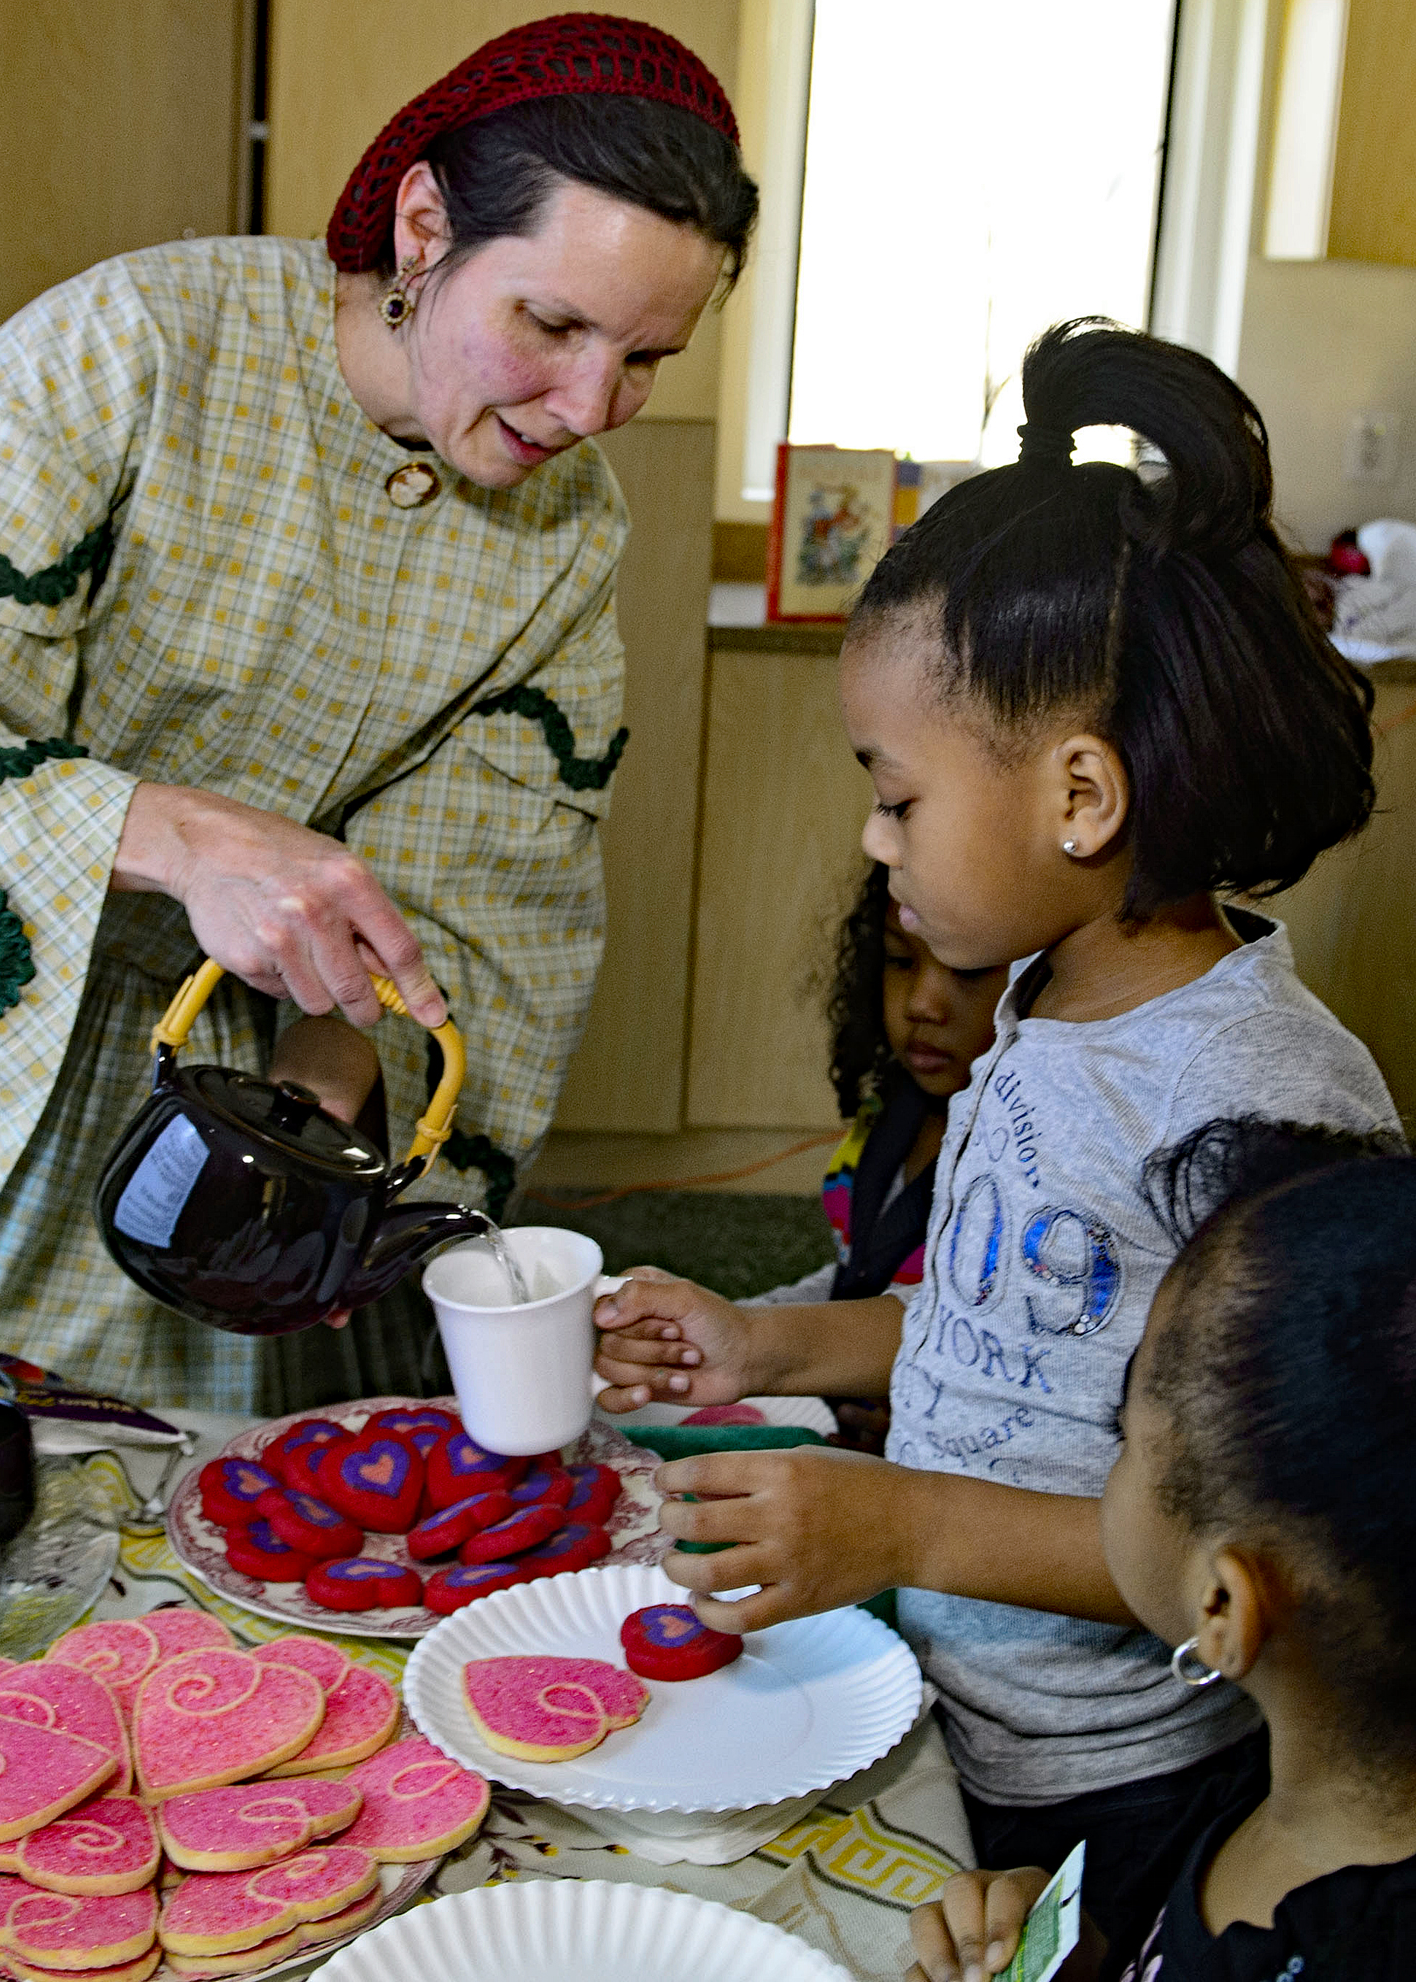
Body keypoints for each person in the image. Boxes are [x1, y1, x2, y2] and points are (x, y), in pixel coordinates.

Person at [0, 16, 756, 1411]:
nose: (587, 406)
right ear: (427, 221)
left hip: (214, 1092)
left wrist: (333, 1080)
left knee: (153, 1557)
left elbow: (475, 876)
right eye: (552, 324)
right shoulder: (143, 344)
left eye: (647, 361)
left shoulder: (570, 532)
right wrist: (175, 836)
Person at [594, 318, 1403, 1947]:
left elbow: (1265, 1559)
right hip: (958, 1688)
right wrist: (773, 1342)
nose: (871, 836)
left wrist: (899, 1522)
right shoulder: (1035, 996)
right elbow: (997, 1336)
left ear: (1080, 799)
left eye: (897, 793)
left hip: (1136, 1768)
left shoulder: (1262, 1102)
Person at [906, 1118, 1416, 1982]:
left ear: (1223, 1608)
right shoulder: (1269, 1787)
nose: (1115, 1457)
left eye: (1125, 1437)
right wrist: (1085, 1959)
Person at [749, 861, 1003, 1450]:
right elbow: (854, 1281)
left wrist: (941, 1418)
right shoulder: (889, 1111)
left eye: (967, 970)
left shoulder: (1020, 1173)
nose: (923, 1003)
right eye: (900, 960)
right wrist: (743, 1318)